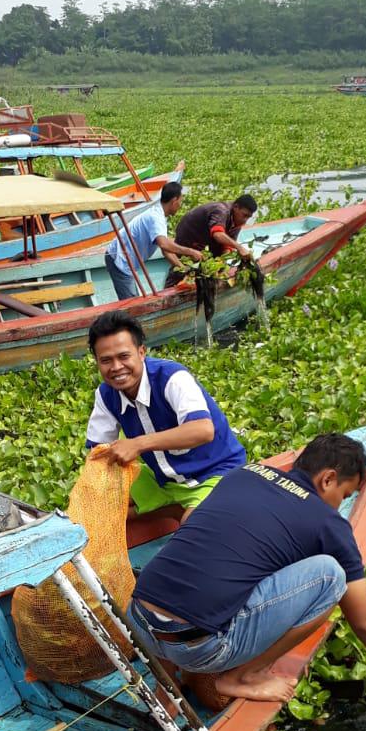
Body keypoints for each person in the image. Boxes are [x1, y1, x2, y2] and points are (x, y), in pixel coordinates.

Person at [128, 434, 366, 710]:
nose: (341, 504)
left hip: (137, 620)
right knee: (331, 576)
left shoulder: (243, 475)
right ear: (327, 479)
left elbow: (203, 525)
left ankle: (166, 683)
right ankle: (244, 676)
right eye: (344, 495)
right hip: (199, 650)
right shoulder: (328, 524)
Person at [85, 311, 245, 518]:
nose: (116, 367)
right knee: (98, 513)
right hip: (162, 479)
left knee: (194, 530)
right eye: (106, 360)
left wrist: (138, 444)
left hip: (217, 474)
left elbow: (203, 430)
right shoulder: (106, 394)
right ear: (97, 362)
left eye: (124, 356)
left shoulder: (172, 377)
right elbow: (97, 452)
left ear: (141, 352)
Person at [104, 181, 202, 301]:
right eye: (180, 201)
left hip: (127, 259)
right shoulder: (155, 217)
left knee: (134, 298)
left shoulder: (159, 215)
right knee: (132, 303)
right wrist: (191, 252)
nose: (180, 205)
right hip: (119, 257)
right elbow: (164, 244)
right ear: (174, 201)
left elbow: (166, 251)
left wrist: (183, 269)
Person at [173, 195, 258, 263]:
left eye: (248, 217)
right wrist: (240, 248)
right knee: (189, 266)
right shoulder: (221, 210)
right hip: (189, 239)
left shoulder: (237, 221)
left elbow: (228, 245)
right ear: (236, 207)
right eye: (245, 215)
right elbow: (218, 235)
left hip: (206, 239)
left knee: (216, 263)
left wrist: (222, 263)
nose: (245, 220)